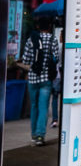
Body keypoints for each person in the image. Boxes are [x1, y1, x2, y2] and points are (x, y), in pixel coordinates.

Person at [20, 19, 59, 147]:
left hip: (32, 78)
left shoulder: (32, 39)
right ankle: (40, 136)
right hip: (46, 79)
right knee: (43, 108)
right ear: (49, 26)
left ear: (37, 26)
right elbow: (56, 58)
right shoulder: (53, 39)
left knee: (34, 106)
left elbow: (26, 59)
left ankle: (33, 134)